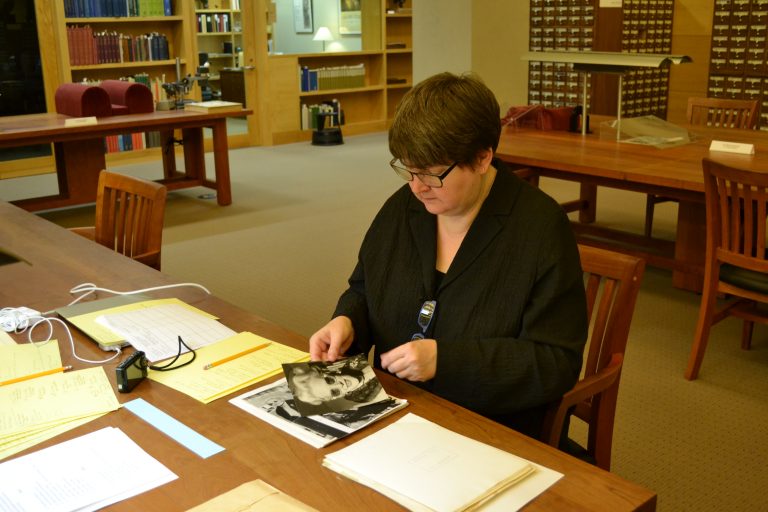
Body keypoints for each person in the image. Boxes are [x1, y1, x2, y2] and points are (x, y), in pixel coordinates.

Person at [308, 72, 588, 439]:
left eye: (432, 173)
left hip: (487, 424)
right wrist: (346, 322)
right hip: (394, 408)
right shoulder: (404, 208)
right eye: (407, 168)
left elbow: (555, 362)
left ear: (483, 157)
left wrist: (446, 362)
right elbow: (364, 288)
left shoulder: (539, 228)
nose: (416, 186)